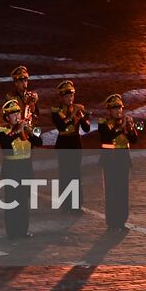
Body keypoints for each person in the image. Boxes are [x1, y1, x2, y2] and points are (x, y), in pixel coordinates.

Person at [98, 94, 139, 230]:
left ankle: (122, 220)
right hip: (110, 160)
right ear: (109, 110)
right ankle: (112, 221)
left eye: (120, 108)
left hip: (123, 160)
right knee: (111, 192)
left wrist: (131, 128)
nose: (118, 111)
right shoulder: (103, 123)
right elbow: (108, 136)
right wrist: (123, 127)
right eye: (115, 109)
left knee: (123, 192)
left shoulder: (124, 122)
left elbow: (134, 140)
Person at [0, 98, 34, 240]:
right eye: (13, 114)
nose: (17, 116)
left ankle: (23, 230)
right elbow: (5, 143)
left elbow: (38, 142)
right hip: (11, 168)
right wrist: (18, 131)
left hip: (25, 167)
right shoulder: (2, 130)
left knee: (24, 200)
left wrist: (29, 131)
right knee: (12, 201)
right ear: (7, 117)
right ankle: (12, 231)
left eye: (18, 112)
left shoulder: (26, 128)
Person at [50, 81, 91, 212]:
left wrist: (84, 117)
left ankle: (76, 205)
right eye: (67, 96)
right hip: (63, 144)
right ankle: (65, 204)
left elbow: (86, 128)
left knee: (76, 174)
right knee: (65, 175)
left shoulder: (78, 108)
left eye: (72, 96)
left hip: (75, 143)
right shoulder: (56, 111)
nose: (70, 99)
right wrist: (74, 115)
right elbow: (61, 126)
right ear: (61, 97)